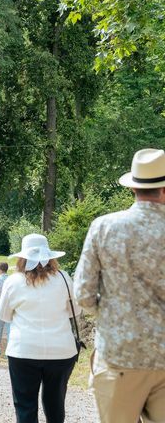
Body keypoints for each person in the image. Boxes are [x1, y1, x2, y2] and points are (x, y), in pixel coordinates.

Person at [74, 148, 165, 423]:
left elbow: (83, 293)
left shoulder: (104, 227)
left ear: (134, 188)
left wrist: (114, 316)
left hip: (119, 355)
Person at [0, 234, 80, 423]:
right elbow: (75, 310)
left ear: (22, 258)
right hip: (61, 350)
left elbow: (4, 315)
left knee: (25, 405)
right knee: (56, 403)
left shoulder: (14, 281)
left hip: (24, 350)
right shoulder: (63, 277)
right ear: (50, 256)